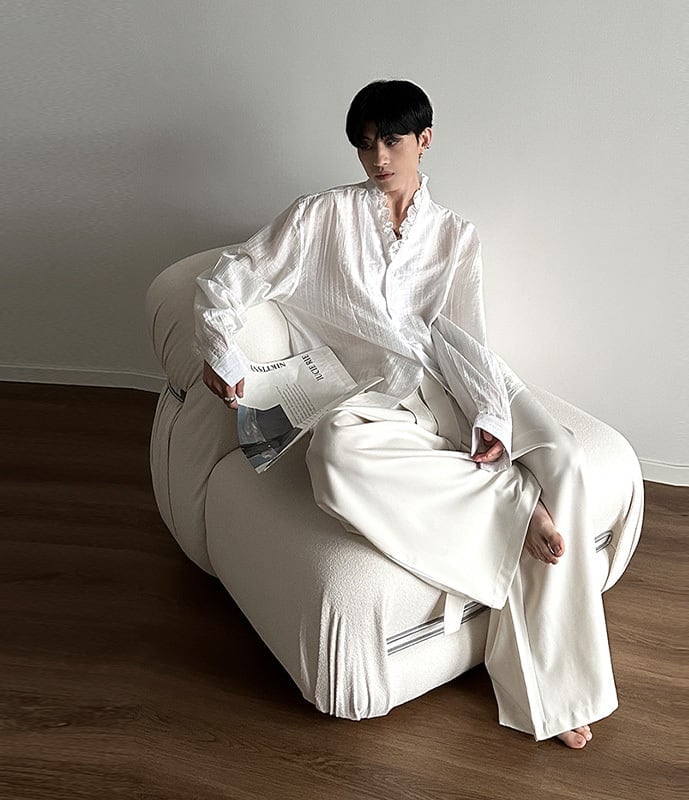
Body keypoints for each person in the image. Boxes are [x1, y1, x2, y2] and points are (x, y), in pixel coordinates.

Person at [195, 79, 643, 749]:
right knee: (335, 455)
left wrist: (491, 413)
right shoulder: (320, 218)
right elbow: (229, 277)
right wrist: (221, 351)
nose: (378, 158)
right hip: (383, 401)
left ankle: (557, 692)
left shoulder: (456, 236)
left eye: (392, 141)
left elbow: (468, 338)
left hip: (459, 385)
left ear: (425, 139)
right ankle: (514, 509)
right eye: (365, 145)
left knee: (567, 463)